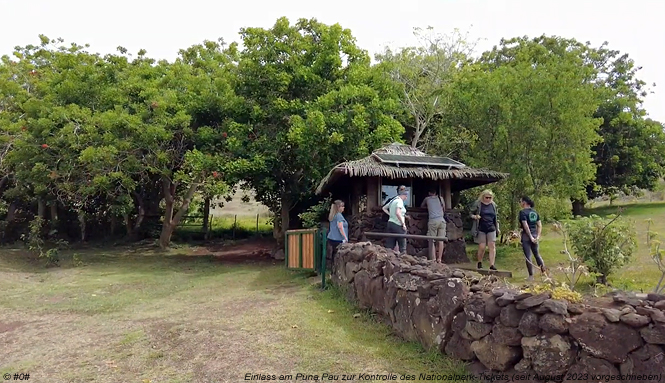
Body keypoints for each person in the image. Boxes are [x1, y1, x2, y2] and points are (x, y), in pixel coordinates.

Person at [470, 189, 500, 270]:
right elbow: (470, 213)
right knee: (482, 246)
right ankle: (479, 262)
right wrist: (475, 216)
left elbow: (496, 217)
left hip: (491, 227)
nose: (488, 199)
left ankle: (492, 264)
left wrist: (498, 227)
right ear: (483, 197)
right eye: (486, 197)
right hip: (481, 227)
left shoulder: (493, 205)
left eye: (490, 198)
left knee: (492, 246)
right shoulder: (478, 204)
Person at [519, 196, 546, 281]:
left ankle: (531, 276)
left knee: (528, 256)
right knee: (537, 255)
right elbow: (539, 225)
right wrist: (537, 236)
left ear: (524, 202)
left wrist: (530, 237)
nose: (520, 203)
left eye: (521, 201)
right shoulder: (534, 212)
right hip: (535, 235)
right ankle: (544, 273)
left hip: (526, 236)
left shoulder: (522, 212)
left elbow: (525, 226)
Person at [421, 188, 446, 263]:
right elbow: (444, 208)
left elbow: (422, 206)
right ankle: (440, 259)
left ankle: (433, 259)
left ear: (429, 192)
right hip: (442, 220)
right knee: (441, 240)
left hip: (433, 220)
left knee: (431, 240)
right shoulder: (441, 198)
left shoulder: (427, 199)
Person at [386, 189, 408, 254]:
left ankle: (388, 258)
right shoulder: (400, 201)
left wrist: (390, 215)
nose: (406, 198)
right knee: (402, 245)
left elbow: (384, 208)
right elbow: (398, 213)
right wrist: (403, 224)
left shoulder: (393, 200)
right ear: (403, 195)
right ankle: (403, 259)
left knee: (390, 245)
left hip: (390, 223)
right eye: (406, 196)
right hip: (398, 224)